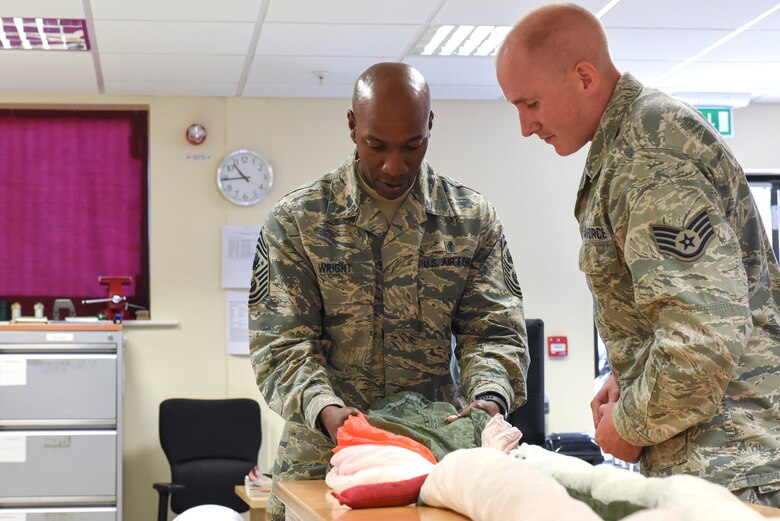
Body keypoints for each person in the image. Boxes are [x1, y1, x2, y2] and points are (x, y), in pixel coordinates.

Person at [496, 2, 780, 506]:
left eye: (531, 103)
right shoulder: (629, 141)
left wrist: (629, 424)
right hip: (716, 462)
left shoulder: (649, 155)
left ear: (584, 77)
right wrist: (627, 380)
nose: (525, 126)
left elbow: (704, 333)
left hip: (732, 468)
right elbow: (673, 312)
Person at [249, 62, 529, 520]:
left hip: (434, 454)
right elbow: (282, 346)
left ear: (430, 127)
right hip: (324, 457)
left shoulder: (470, 219)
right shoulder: (299, 220)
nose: (393, 166)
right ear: (352, 125)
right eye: (376, 146)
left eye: (412, 145)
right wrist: (328, 412)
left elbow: (494, 333)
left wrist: (489, 401)